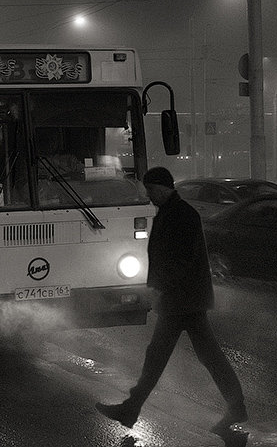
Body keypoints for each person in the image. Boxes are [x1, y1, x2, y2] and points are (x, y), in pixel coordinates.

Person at [95, 167, 246, 435]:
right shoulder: (171, 212)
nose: (149, 195)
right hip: (184, 299)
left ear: (164, 188)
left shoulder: (182, 214)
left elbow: (182, 260)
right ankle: (235, 407)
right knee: (197, 356)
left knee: (163, 356)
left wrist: (159, 286)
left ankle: (131, 409)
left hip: (183, 300)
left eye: (151, 190)